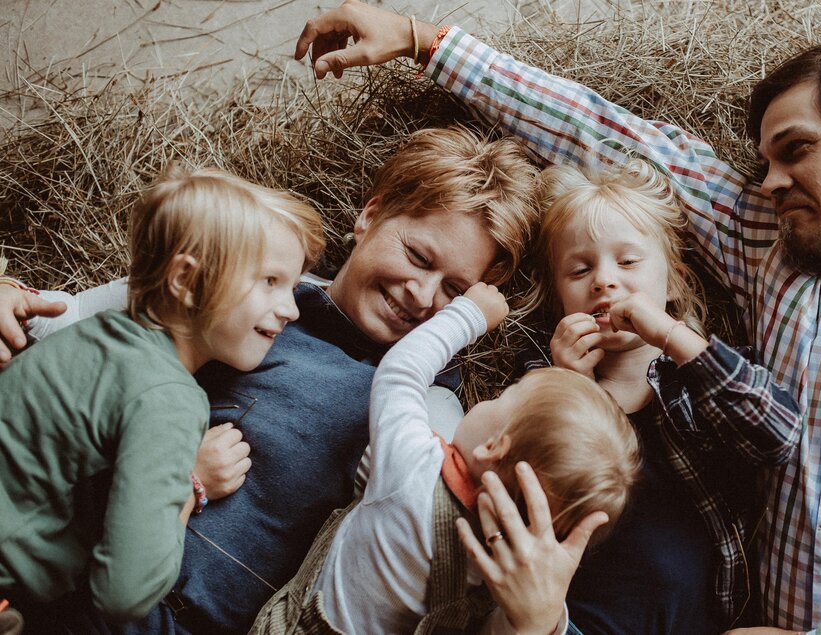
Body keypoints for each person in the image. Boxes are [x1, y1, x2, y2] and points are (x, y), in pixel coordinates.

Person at [294, 4, 821, 632]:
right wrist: (423, 38)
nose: (766, 181)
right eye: (762, 162)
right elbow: (610, 136)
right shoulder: (778, 252)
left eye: (795, 149)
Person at [1, 127, 541, 634]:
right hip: (77, 575)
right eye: (418, 256)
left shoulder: (429, 410)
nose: (423, 296)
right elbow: (77, 322)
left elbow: (436, 548)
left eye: (455, 292)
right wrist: (10, 296)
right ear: (370, 216)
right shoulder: (256, 283)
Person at [0, 165, 324, 629]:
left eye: (292, 288)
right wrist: (189, 490)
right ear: (185, 281)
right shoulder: (169, 398)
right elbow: (123, 595)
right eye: (270, 281)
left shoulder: (96, 337)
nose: (291, 308)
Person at [513, 158, 801, 632]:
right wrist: (570, 388)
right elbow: (522, 491)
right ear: (559, 297)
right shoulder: (546, 373)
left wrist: (673, 336)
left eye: (627, 262)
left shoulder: (704, 375)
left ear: (674, 282)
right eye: (580, 269)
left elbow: (778, 435)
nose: (604, 280)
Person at [254, 281, 640, 634]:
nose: (489, 399)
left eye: (503, 397)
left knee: (434, 400)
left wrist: (468, 314)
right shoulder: (501, 579)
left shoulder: (413, 468)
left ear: (493, 448)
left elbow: (400, 374)